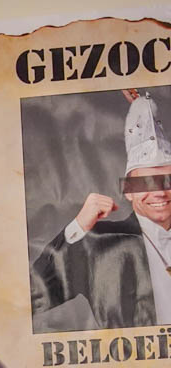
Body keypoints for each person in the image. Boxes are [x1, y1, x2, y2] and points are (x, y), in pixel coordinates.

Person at [30, 88, 171, 332]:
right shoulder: (98, 242)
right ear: (128, 190)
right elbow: (31, 297)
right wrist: (78, 228)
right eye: (146, 182)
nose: (159, 193)